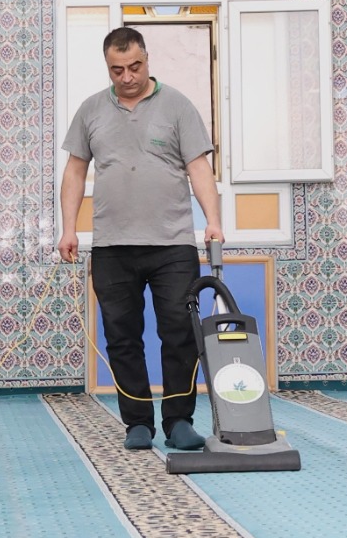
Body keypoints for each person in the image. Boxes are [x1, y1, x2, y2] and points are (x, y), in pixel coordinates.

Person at [58, 25, 224, 452]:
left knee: (179, 332)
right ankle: (137, 422)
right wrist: (68, 227)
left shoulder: (177, 105)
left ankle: (179, 421)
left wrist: (213, 221)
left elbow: (199, 167)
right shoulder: (91, 110)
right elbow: (75, 171)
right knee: (122, 337)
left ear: (147, 59)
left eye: (135, 66)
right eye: (117, 70)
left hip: (172, 243)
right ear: (107, 67)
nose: (128, 76)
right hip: (112, 246)